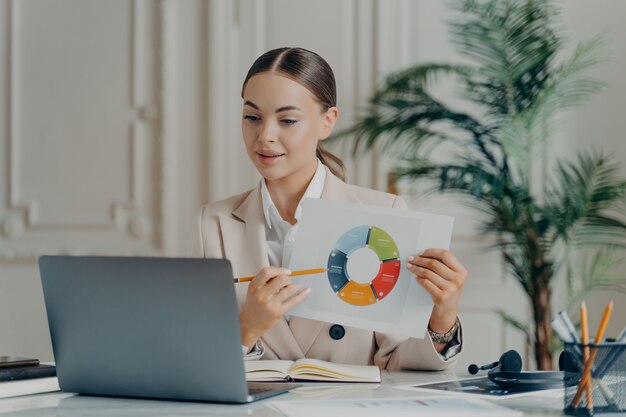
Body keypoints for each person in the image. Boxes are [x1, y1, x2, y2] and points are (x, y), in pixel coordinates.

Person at [191, 47, 467, 371]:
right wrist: (248, 328)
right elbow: (196, 366)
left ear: (327, 122)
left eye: (287, 120)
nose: (265, 136)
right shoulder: (212, 224)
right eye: (252, 117)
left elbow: (397, 362)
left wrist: (443, 316)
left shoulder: (383, 213)